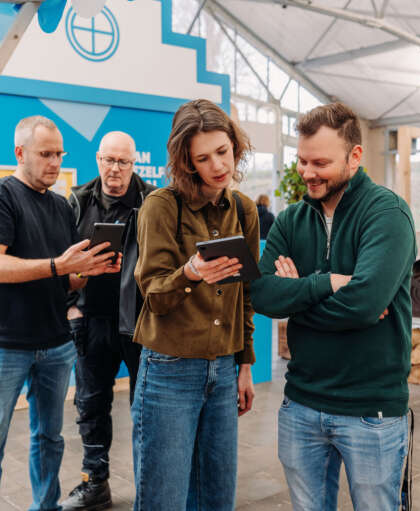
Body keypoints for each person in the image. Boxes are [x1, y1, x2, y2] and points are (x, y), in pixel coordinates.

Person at [251, 102, 416, 511]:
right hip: (300, 403)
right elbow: (261, 294)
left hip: (371, 412)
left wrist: (296, 298)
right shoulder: (291, 220)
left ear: (354, 156)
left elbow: (363, 305)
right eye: (302, 161)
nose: (307, 172)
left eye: (320, 163)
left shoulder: (387, 214)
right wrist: (324, 284)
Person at [0, 116, 121, 511]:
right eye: (45, 154)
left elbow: (67, 281)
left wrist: (89, 269)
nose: (55, 163)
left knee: (50, 439)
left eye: (59, 154)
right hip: (2, 345)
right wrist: (59, 265)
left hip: (55, 344)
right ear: (20, 153)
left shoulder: (61, 207)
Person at [130, 98, 258, 510]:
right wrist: (190, 273)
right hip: (168, 370)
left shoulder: (245, 210)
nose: (218, 166)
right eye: (203, 159)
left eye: (223, 151)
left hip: (224, 369)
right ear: (186, 162)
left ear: (235, 145)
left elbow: (245, 295)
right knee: (162, 500)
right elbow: (153, 295)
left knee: (217, 498)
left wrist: (244, 365)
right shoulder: (161, 206)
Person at [61, 132, 156, 511]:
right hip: (91, 321)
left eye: (123, 162)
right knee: (90, 405)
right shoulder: (76, 202)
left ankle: (150, 488)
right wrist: (72, 307)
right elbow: (61, 258)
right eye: (109, 160)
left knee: (146, 409)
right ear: (98, 159)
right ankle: (95, 484)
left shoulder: (153, 202)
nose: (115, 169)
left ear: (134, 164)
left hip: (140, 323)